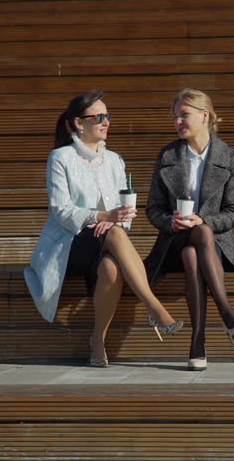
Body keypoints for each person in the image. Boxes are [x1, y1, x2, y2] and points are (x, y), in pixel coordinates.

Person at [24, 89, 183, 368]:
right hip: (68, 244)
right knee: (114, 233)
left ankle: (97, 340)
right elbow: (60, 210)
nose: (106, 121)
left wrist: (115, 219)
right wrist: (102, 216)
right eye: (98, 117)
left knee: (111, 266)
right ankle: (154, 307)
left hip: (107, 240)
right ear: (78, 123)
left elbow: (124, 213)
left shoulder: (115, 161)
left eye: (107, 116)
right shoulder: (60, 158)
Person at [145, 88, 234, 371]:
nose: (178, 122)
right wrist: (169, 221)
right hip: (172, 241)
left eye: (184, 115)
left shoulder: (229, 156)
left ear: (205, 116)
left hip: (214, 247)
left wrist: (203, 221)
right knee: (194, 239)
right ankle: (227, 315)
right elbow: (153, 208)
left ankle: (197, 342)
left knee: (194, 250)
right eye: (175, 117)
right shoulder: (168, 155)